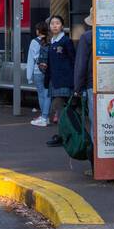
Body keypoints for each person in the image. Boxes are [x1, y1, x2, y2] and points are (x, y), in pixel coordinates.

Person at [43, 15, 75, 147]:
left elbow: (73, 60)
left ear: (62, 26)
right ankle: (65, 135)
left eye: (57, 23)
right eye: (52, 24)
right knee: (60, 109)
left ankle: (63, 136)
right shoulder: (52, 42)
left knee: (60, 107)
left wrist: (74, 81)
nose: (54, 25)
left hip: (64, 80)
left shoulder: (66, 41)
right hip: (54, 80)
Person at [26, 21, 50, 126]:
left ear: (38, 31)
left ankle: (44, 117)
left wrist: (29, 77)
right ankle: (46, 116)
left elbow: (30, 60)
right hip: (49, 71)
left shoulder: (34, 42)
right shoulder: (51, 40)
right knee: (48, 94)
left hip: (38, 71)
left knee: (41, 94)